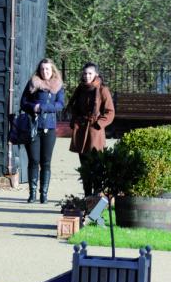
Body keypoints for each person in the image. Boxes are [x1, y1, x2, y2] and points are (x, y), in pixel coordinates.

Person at [19, 58, 66, 204]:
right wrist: (34, 107)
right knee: (33, 160)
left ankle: (43, 194)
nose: (45, 72)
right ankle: (32, 193)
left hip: (49, 127)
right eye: (42, 69)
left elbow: (60, 105)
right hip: (33, 127)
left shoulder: (58, 85)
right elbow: (23, 102)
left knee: (46, 162)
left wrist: (44, 107)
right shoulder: (33, 83)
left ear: (52, 70)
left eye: (47, 69)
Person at [68, 62, 114, 195]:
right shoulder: (80, 89)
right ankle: (87, 199)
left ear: (96, 74)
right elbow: (74, 108)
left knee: (96, 168)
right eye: (85, 73)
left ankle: (97, 202)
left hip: (95, 133)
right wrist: (74, 120)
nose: (87, 76)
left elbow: (110, 111)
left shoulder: (102, 90)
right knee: (85, 168)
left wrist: (99, 124)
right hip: (82, 131)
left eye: (90, 73)